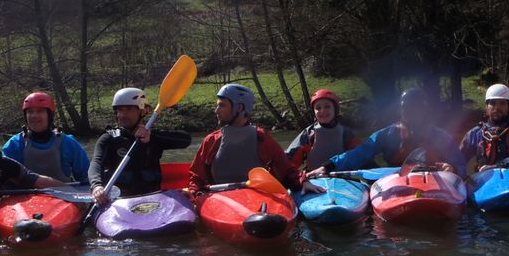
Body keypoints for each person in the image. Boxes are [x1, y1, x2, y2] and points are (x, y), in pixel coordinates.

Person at [188, 83, 322, 196]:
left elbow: (286, 169)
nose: (216, 110)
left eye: (222, 105)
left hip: (255, 198)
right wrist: (195, 195)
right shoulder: (211, 140)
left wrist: (303, 181)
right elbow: (196, 177)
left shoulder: (261, 137)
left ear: (239, 108)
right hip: (221, 200)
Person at [307, 88, 467, 177]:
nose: (412, 112)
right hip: (398, 181)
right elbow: (360, 153)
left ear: (425, 110)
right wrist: (329, 166)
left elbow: (461, 165)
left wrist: (453, 169)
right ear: (402, 110)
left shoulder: (441, 137)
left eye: (417, 108)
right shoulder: (388, 134)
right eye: (407, 108)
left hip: (436, 181)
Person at [89, 88, 191, 203]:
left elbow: (186, 140)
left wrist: (151, 136)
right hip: (120, 203)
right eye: (120, 110)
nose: (123, 115)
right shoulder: (109, 138)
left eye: (129, 109)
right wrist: (96, 185)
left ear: (143, 111)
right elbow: (96, 163)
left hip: (153, 201)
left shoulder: (154, 137)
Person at [2, 92, 90, 184]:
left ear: (50, 115)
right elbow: (4, 178)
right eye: (30, 112)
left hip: (62, 196)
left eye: (40, 111)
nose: (34, 116)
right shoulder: (15, 144)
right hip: (27, 196)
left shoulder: (68, 142)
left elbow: (86, 178)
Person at [459, 83, 509, 173]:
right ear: (486, 107)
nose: (497, 107)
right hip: (486, 180)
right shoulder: (475, 134)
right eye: (493, 103)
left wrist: (503, 165)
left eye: (502, 103)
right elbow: (458, 162)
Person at [285, 89, 361, 171]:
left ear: (335, 109)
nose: (323, 111)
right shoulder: (309, 134)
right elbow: (289, 160)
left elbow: (362, 156)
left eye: (327, 106)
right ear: (314, 112)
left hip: (341, 180)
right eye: (318, 108)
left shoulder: (347, 134)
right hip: (314, 179)